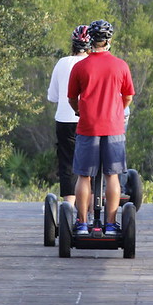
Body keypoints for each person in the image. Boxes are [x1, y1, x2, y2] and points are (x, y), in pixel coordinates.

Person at [67, 19, 135, 235]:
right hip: (114, 128)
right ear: (109, 40)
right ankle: (111, 225)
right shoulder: (121, 65)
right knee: (112, 176)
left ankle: (82, 224)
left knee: (83, 176)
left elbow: (71, 98)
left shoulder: (80, 66)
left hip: (88, 127)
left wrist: (80, 111)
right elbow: (128, 96)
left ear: (91, 41)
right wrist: (117, 109)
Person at [47, 25, 90, 205]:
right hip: (88, 119)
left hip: (65, 119)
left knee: (67, 163)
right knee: (90, 164)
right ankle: (88, 210)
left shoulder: (62, 63)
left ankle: (69, 207)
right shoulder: (93, 63)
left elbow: (52, 97)